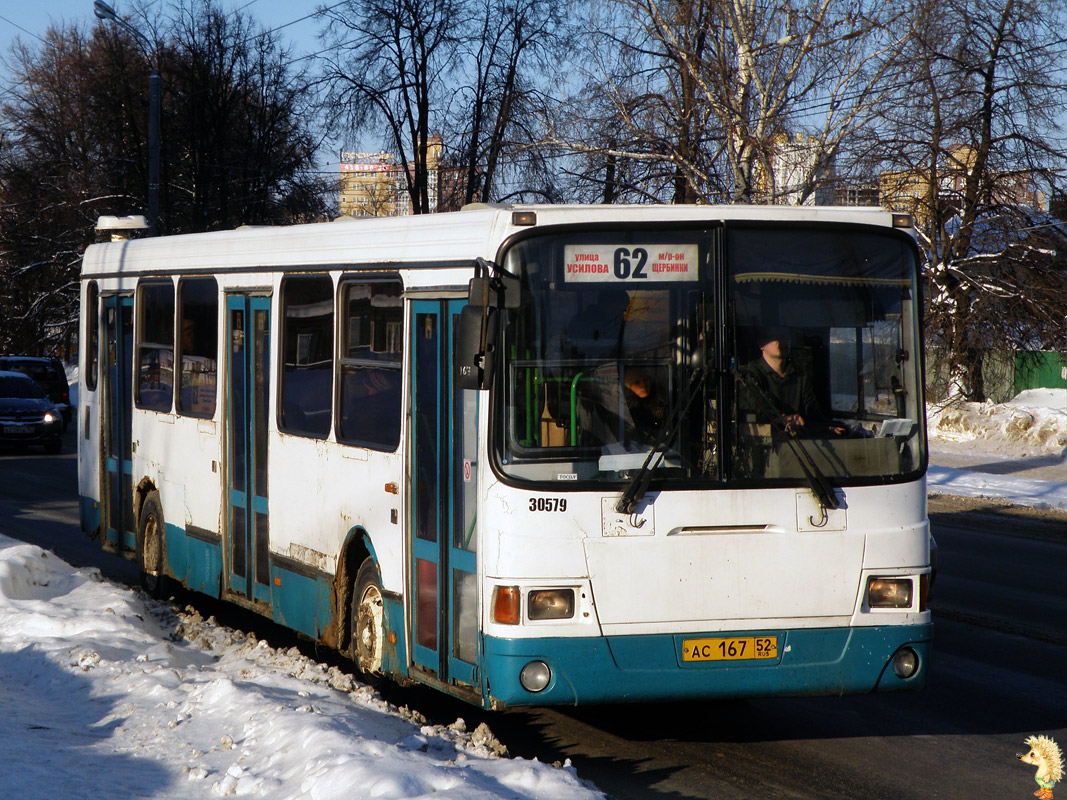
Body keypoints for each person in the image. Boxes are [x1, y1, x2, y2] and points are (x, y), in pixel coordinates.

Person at [739, 328, 841, 436]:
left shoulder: (799, 375)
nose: (781, 341)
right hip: (767, 447)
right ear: (761, 344)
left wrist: (827, 427)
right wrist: (783, 419)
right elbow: (757, 410)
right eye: (775, 337)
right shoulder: (750, 375)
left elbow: (812, 412)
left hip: (798, 446)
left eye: (784, 337)